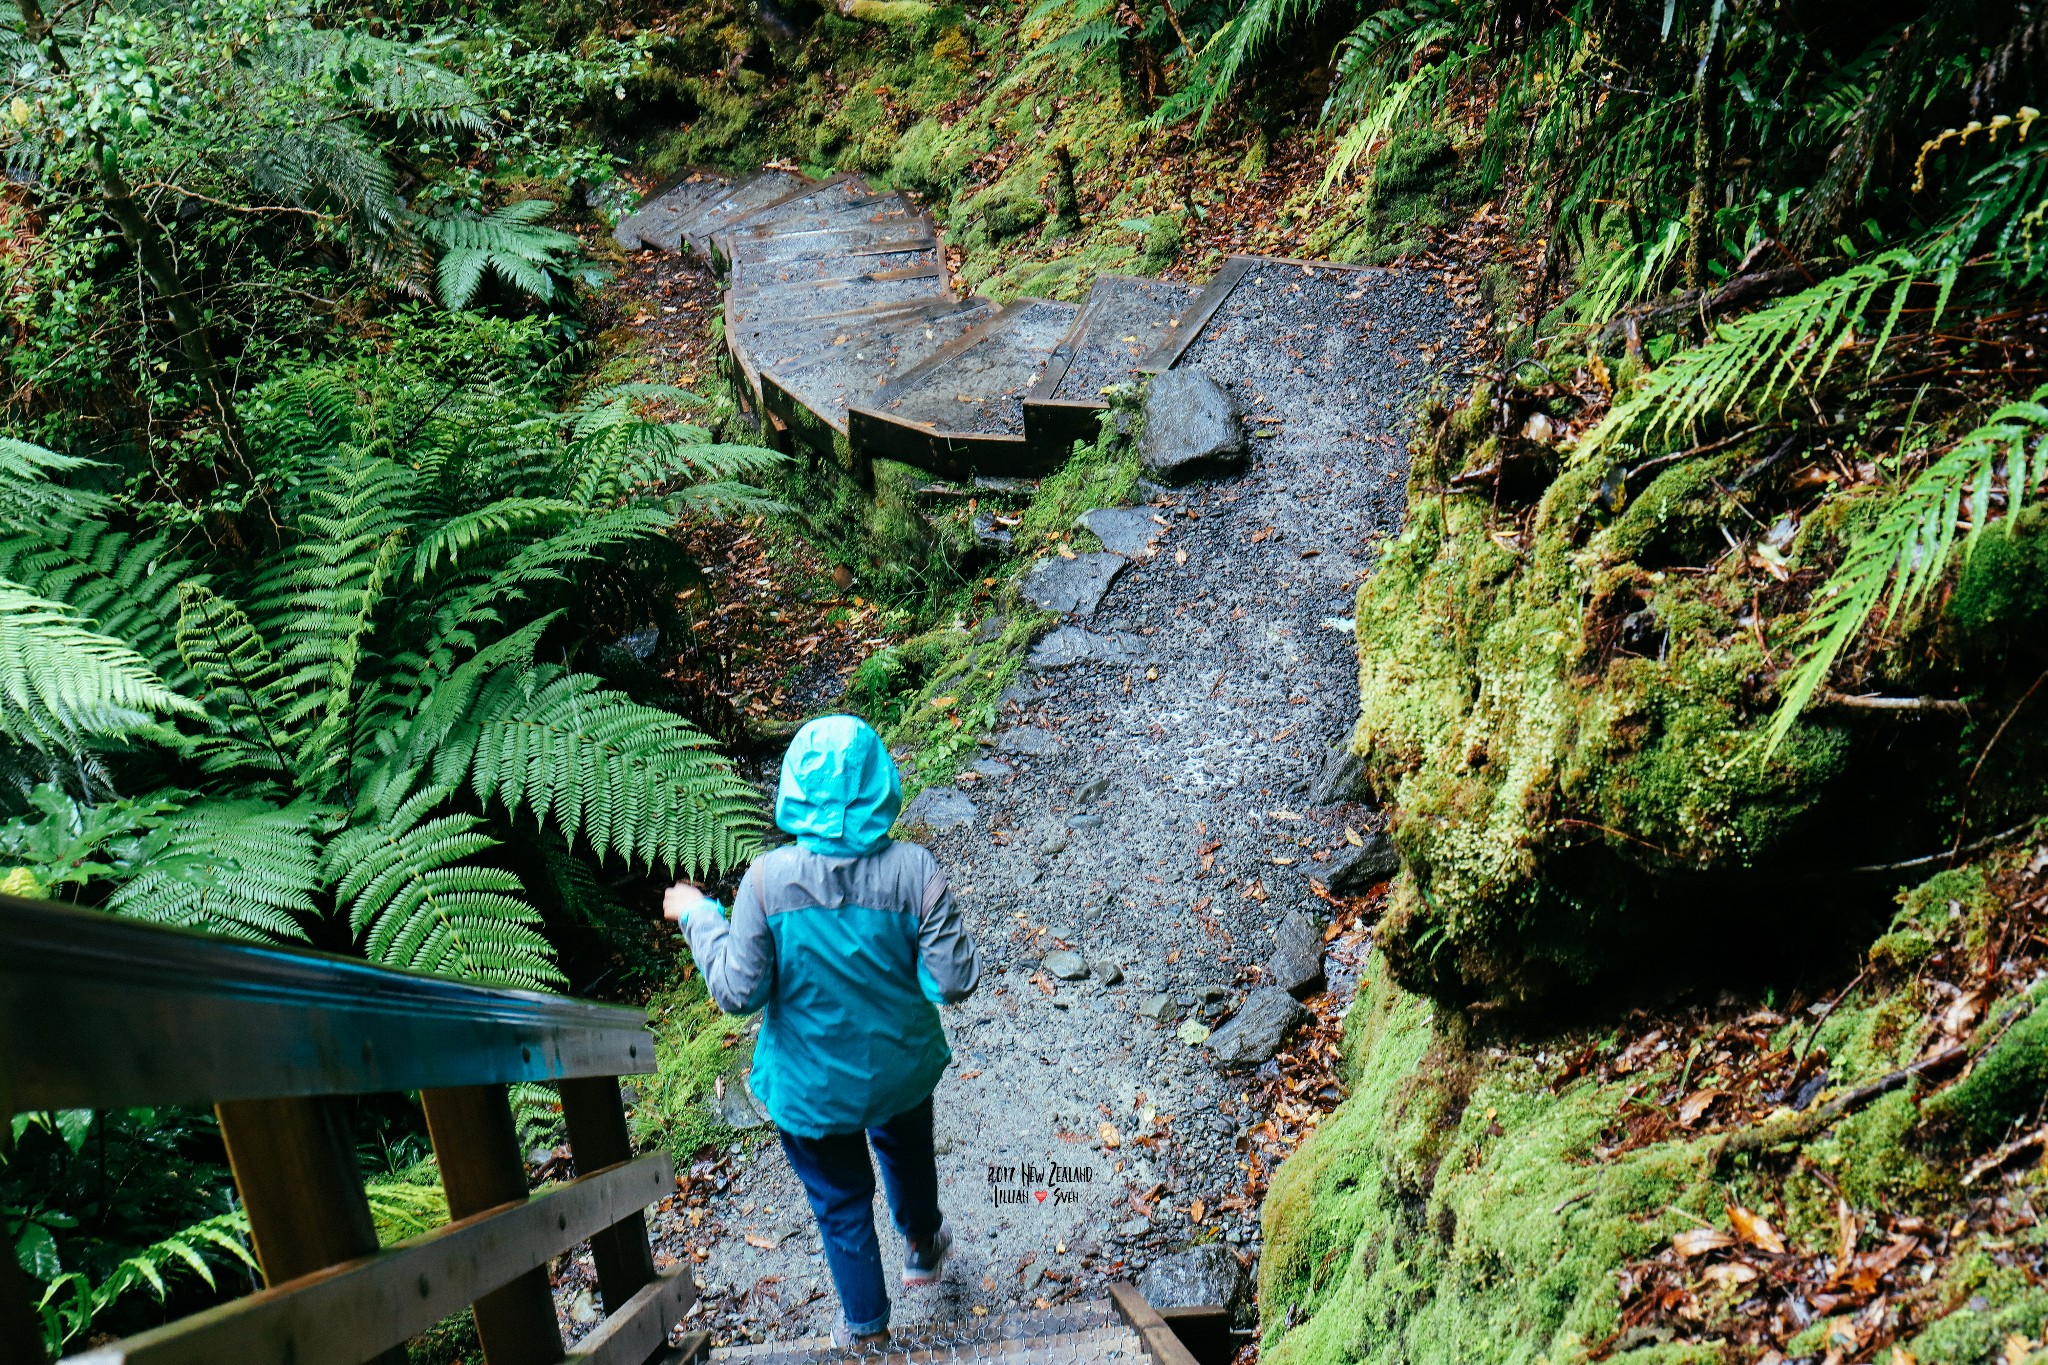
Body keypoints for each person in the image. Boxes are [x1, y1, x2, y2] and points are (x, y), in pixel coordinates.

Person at [665, 713, 981, 1347]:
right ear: (880, 782)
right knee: (907, 1149)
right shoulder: (916, 871)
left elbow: (737, 992)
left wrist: (699, 914)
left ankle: (866, 1330)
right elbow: (951, 980)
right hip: (899, 1068)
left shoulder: (765, 881)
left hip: (810, 1087)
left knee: (840, 1202)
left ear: (793, 789)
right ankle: (923, 1244)